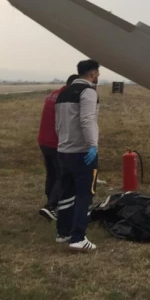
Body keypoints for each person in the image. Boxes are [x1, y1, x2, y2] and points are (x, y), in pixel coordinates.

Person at [54, 59, 101, 252]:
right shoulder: (88, 91)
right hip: (82, 152)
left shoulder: (63, 92)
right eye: (97, 72)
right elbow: (88, 119)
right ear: (92, 73)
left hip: (63, 150)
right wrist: (93, 145)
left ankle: (62, 232)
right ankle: (78, 237)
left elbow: (58, 124)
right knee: (84, 195)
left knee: (66, 192)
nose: (98, 76)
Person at [37, 74, 79, 221]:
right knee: (63, 175)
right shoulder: (66, 98)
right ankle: (51, 206)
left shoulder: (52, 94)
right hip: (56, 143)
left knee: (51, 173)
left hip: (43, 140)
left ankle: (50, 202)